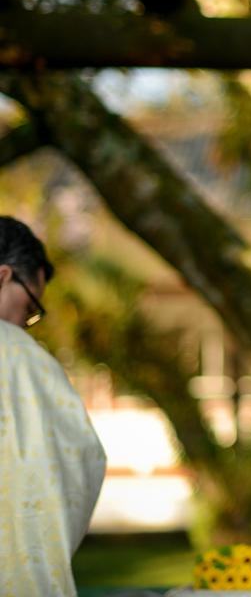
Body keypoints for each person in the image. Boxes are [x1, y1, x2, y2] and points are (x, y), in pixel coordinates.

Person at [0, 216, 107, 597]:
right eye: (30, 307)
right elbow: (83, 459)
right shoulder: (22, 357)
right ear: (2, 276)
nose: (27, 324)